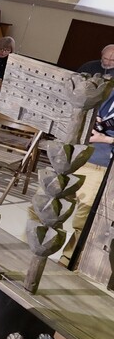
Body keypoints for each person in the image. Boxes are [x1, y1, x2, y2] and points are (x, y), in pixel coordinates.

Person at [63, 88, 114, 264]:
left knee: (82, 221)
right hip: (77, 155)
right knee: (42, 206)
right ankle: (28, 251)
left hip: (102, 164)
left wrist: (106, 139)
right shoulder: (109, 90)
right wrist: (91, 120)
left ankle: (67, 261)